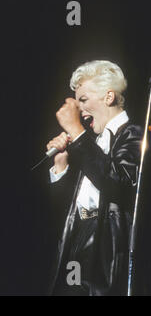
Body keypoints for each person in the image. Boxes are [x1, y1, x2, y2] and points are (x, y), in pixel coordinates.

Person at [46, 60, 143, 295]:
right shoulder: (90, 143)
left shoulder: (133, 134)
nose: (79, 109)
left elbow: (118, 183)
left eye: (84, 100)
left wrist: (77, 132)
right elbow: (64, 209)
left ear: (108, 97)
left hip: (106, 243)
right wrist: (60, 167)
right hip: (77, 236)